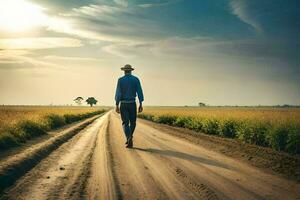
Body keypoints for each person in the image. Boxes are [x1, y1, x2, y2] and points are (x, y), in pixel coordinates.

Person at [115, 64, 144, 148]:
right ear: (131, 70)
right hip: (132, 103)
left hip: (123, 104)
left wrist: (117, 104)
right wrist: (141, 104)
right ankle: (130, 136)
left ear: (124, 71)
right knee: (133, 122)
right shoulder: (136, 79)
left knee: (125, 123)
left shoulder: (120, 80)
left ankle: (128, 137)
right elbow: (139, 92)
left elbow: (118, 93)